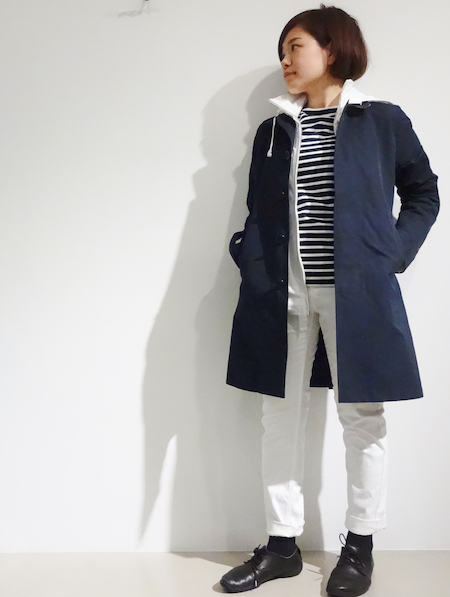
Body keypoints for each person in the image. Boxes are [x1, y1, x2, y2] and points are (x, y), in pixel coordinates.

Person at [220, 4, 439, 597]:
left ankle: (360, 545)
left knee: (362, 417)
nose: (285, 60)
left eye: (295, 46)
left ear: (333, 49)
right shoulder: (273, 130)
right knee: (278, 415)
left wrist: (391, 254)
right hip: (282, 293)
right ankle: (281, 545)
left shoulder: (381, 120)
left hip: (357, 295)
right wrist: (249, 257)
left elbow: (424, 193)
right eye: (282, 51)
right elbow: (258, 211)